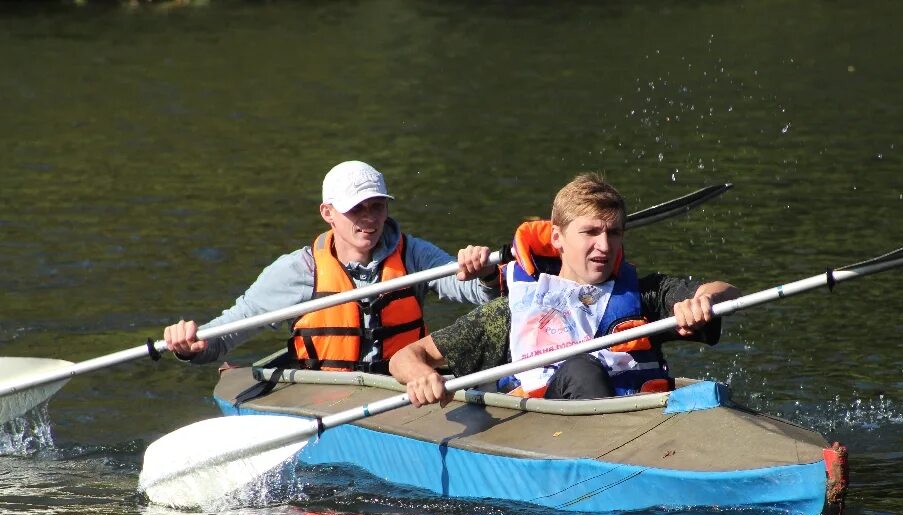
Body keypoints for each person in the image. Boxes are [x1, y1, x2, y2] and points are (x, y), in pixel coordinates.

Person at [390, 172, 740, 406]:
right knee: (581, 369)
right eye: (590, 232)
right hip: (564, 438)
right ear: (557, 237)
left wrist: (705, 301)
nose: (605, 246)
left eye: (614, 233)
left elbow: (728, 291)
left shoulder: (645, 295)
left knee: (707, 393)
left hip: (641, 429)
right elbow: (405, 357)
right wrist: (421, 376)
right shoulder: (511, 313)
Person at [164, 160, 500, 373]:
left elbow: (478, 293)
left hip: (402, 384)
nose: (369, 219)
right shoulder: (298, 270)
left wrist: (483, 273)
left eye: (377, 207)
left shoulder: (415, 255)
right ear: (328, 213)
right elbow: (233, 328)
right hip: (325, 392)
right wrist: (195, 348)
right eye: (356, 209)